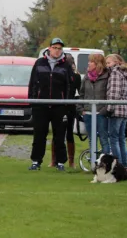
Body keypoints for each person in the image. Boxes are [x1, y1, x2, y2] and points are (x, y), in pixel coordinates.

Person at [27, 38, 74, 172]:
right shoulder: (40, 63)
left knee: (59, 135)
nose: (57, 50)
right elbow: (33, 83)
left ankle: (60, 162)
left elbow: (69, 86)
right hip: (40, 105)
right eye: (55, 47)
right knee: (39, 134)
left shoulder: (66, 65)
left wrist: (67, 104)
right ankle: (36, 161)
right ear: (49, 48)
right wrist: (32, 101)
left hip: (59, 106)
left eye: (59, 48)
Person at [106, 54, 127, 169]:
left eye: (109, 63)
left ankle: (117, 165)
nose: (107, 65)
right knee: (121, 139)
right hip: (125, 109)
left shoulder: (115, 73)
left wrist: (109, 109)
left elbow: (114, 93)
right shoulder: (125, 74)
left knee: (113, 138)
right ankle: (124, 165)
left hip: (116, 110)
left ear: (116, 62)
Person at [78, 54, 110, 155]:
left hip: (101, 113)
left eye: (91, 61)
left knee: (103, 139)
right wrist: (81, 110)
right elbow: (81, 93)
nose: (88, 63)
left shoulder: (107, 76)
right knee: (92, 139)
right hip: (87, 113)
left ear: (97, 64)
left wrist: (103, 111)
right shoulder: (86, 77)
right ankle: (94, 164)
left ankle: (105, 165)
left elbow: (109, 95)